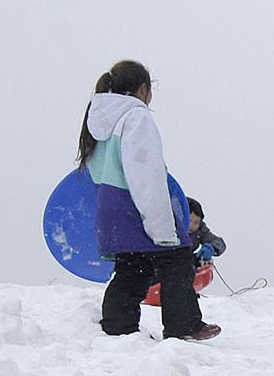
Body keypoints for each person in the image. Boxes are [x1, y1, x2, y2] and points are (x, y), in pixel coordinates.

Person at [76, 59, 220, 341]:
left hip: (109, 203)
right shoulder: (136, 118)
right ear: (143, 89)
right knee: (177, 258)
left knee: (133, 264)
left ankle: (118, 326)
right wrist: (161, 226)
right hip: (135, 202)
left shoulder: (99, 122)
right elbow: (146, 174)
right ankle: (184, 326)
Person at [188, 198, 226, 266]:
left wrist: (212, 248)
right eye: (189, 220)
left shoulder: (200, 230)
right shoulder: (169, 229)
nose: (192, 225)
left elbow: (217, 241)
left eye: (196, 222)